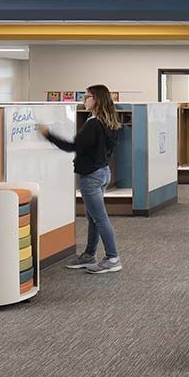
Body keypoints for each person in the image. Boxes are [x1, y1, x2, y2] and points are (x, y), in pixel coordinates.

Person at [39, 84, 122, 274]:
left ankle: (113, 257)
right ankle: (89, 255)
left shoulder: (93, 123)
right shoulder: (110, 122)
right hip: (102, 172)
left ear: (97, 99)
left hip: (91, 177)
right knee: (93, 217)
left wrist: (48, 135)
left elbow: (72, 146)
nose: (85, 100)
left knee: (99, 218)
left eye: (87, 97)